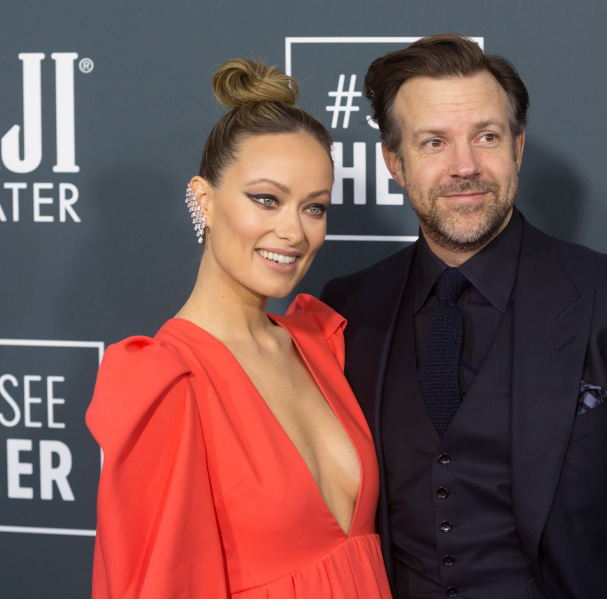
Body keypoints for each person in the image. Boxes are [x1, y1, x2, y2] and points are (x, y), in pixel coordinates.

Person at [321, 34, 607, 599]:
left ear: (518, 148)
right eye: (434, 142)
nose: (465, 167)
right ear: (394, 163)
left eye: (486, 137)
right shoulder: (348, 308)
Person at [86, 59, 392, 599]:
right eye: (266, 199)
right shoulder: (168, 382)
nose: (293, 231)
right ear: (204, 199)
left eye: (314, 208)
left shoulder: (320, 342)